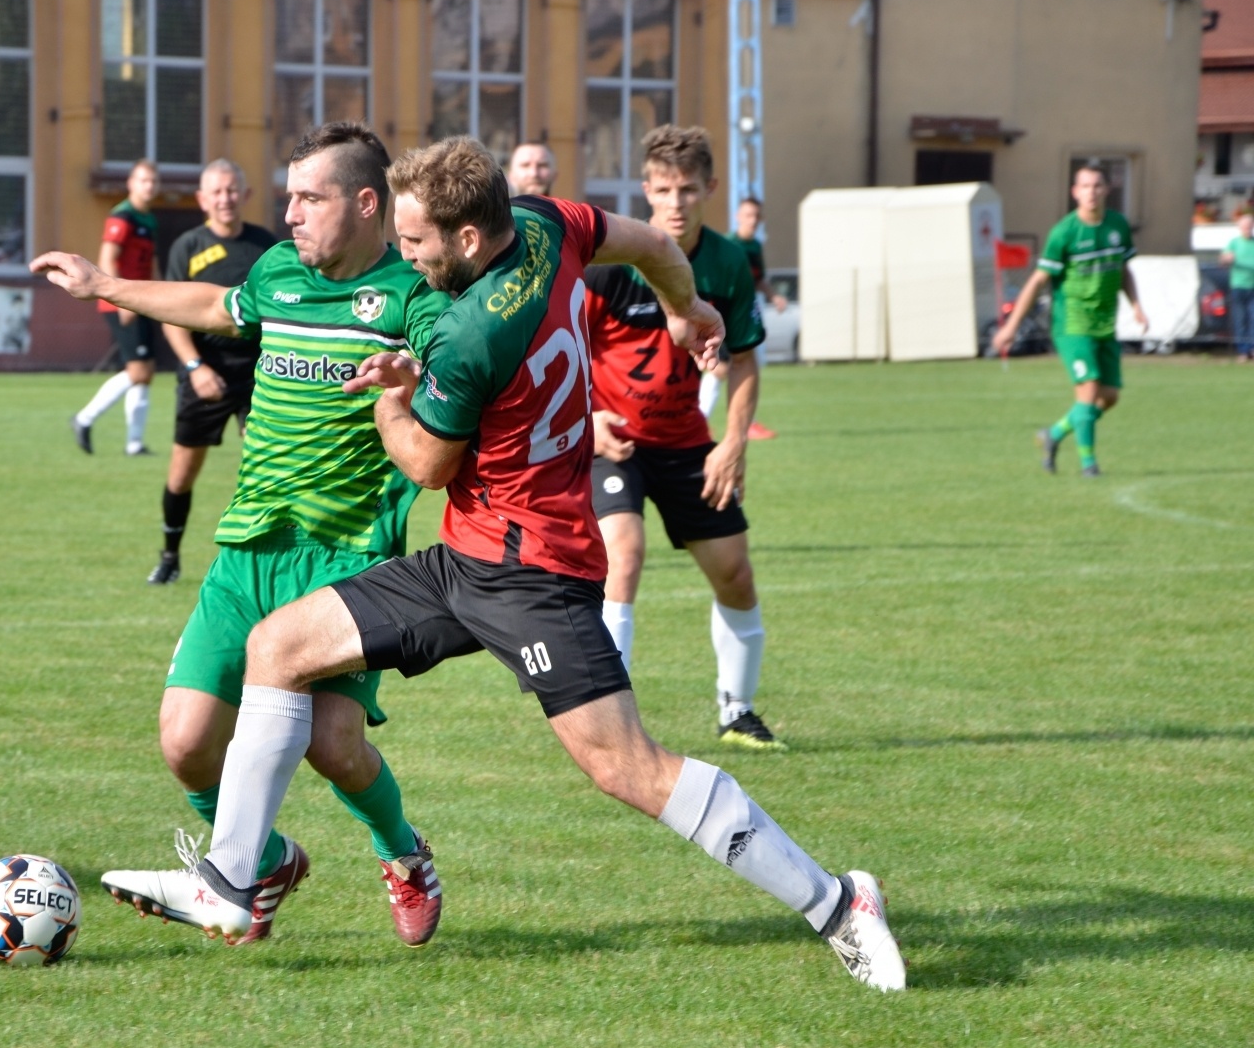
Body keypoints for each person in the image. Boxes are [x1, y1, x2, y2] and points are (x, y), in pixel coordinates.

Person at [120, 136, 906, 992]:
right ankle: (233, 886)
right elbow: (650, 244)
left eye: (417, 244)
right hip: (465, 559)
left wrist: (388, 393)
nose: (408, 261)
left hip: (535, 572)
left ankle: (838, 902)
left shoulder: (468, 330)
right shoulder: (543, 222)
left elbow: (425, 464)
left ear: (464, 239)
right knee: (279, 647)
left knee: (627, 766)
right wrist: (684, 310)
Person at [31, 124, 451, 946]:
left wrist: (413, 388)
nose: (288, 214)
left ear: (367, 204)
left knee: (334, 744)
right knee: (186, 742)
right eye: (287, 196)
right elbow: (218, 307)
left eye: (309, 198)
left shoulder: (414, 297)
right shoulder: (278, 271)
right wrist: (103, 284)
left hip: (347, 558)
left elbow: (465, 390)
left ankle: (402, 853)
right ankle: (257, 861)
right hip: (249, 547)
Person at [584, 126, 782, 750]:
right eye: (664, 189)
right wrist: (588, 419)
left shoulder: (726, 263)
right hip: (615, 441)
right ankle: (606, 719)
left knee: (736, 574)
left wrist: (733, 442)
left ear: (710, 190)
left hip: (687, 442)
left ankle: (737, 711)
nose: (676, 202)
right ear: (646, 189)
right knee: (624, 550)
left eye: (689, 189)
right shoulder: (613, 260)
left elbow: (745, 360)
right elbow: (562, 347)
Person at [148, 159, 278, 586]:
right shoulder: (188, 247)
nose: (225, 198)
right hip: (204, 373)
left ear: (246, 195)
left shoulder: (267, 246)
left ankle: (265, 563)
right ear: (202, 199)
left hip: (259, 376)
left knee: (269, 466)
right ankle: (170, 556)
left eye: (232, 190)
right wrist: (195, 366)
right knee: (182, 474)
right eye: (216, 192)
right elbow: (173, 317)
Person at [994, 162, 1148, 477]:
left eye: (1097, 186)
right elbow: (1037, 281)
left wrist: (1136, 305)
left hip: (1105, 323)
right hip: (1072, 324)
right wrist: (1010, 327)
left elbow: (1123, 270)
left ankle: (1053, 434)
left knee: (1109, 397)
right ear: (1075, 193)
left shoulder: (1118, 226)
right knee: (1089, 390)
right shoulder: (1064, 233)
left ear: (1106, 190)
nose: (1091, 192)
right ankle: (1088, 465)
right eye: (1085, 187)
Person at [72, 159, 162, 456]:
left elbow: (151, 263)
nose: (149, 186)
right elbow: (107, 257)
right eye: (143, 180)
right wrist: (118, 298)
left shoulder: (148, 219)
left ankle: (134, 443)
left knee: (145, 371)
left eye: (153, 181)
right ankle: (84, 419)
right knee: (138, 370)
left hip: (142, 300)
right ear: (131, 184)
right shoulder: (122, 216)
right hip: (122, 303)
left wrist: (162, 295)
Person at [696, 195, 779, 439]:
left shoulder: (754, 247)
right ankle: (702, 422)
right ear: (737, 217)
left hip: (743, 314)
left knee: (741, 364)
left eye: (756, 216)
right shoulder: (729, 245)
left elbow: (759, 278)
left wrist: (774, 296)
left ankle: (743, 422)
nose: (752, 220)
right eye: (747, 215)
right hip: (722, 314)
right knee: (719, 369)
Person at [1218, 211, 1254, 362]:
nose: (1247, 229)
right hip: (1238, 286)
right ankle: (1242, 350)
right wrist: (1227, 259)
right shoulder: (1234, 243)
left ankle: (1251, 347)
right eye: (1245, 226)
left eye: (1249, 226)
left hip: (1252, 286)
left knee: (1252, 318)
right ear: (1240, 228)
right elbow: (1223, 260)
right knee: (1240, 318)